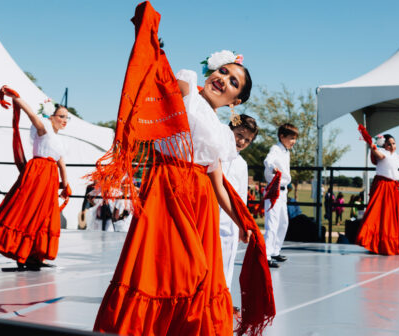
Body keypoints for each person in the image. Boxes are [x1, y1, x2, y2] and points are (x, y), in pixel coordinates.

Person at [92, 3, 274, 335]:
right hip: (167, 191)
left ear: (236, 101)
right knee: (162, 268)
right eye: (223, 72)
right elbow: (156, 79)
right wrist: (151, 43)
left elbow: (219, 185)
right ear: (212, 71)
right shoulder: (188, 89)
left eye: (233, 82)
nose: (223, 80)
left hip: (200, 203)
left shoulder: (221, 135)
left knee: (200, 271)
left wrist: (240, 220)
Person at [0, 85, 70, 270]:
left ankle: (36, 256)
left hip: (49, 178)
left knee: (45, 216)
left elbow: (61, 162)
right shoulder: (44, 131)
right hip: (38, 174)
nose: (65, 120)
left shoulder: (58, 140)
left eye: (67, 117)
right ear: (51, 117)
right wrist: (15, 98)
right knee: (29, 212)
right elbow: (32, 115)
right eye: (61, 116)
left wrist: (65, 184)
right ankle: (22, 253)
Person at [219, 114, 258, 306]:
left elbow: (242, 197)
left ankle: (222, 299)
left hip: (230, 221)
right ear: (230, 131)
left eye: (247, 140)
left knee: (227, 261)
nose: (242, 141)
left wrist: (244, 225)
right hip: (209, 215)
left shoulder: (242, 165)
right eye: (239, 135)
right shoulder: (215, 153)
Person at [355, 134, 399, 255]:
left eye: (394, 143)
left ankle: (389, 243)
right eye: (389, 144)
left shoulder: (395, 156)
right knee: (378, 214)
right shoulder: (383, 153)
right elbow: (378, 154)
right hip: (382, 187)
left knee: (391, 216)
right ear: (384, 145)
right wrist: (371, 145)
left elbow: (396, 159)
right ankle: (376, 243)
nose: (392, 146)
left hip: (392, 188)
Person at [263, 123, 298, 268]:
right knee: (272, 223)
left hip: (283, 191)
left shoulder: (286, 151)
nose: (293, 142)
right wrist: (272, 167)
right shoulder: (275, 149)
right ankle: (266, 254)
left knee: (283, 222)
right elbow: (268, 160)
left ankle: (275, 250)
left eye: (294, 139)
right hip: (274, 190)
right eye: (291, 138)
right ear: (281, 136)